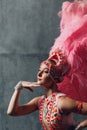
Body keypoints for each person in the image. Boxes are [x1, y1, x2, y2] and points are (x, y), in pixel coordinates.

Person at [7, 49, 87, 130]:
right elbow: (13, 112)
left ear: (54, 77)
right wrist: (18, 87)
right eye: (39, 70)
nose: (39, 74)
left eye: (45, 71)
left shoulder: (62, 102)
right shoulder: (40, 101)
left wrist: (79, 126)